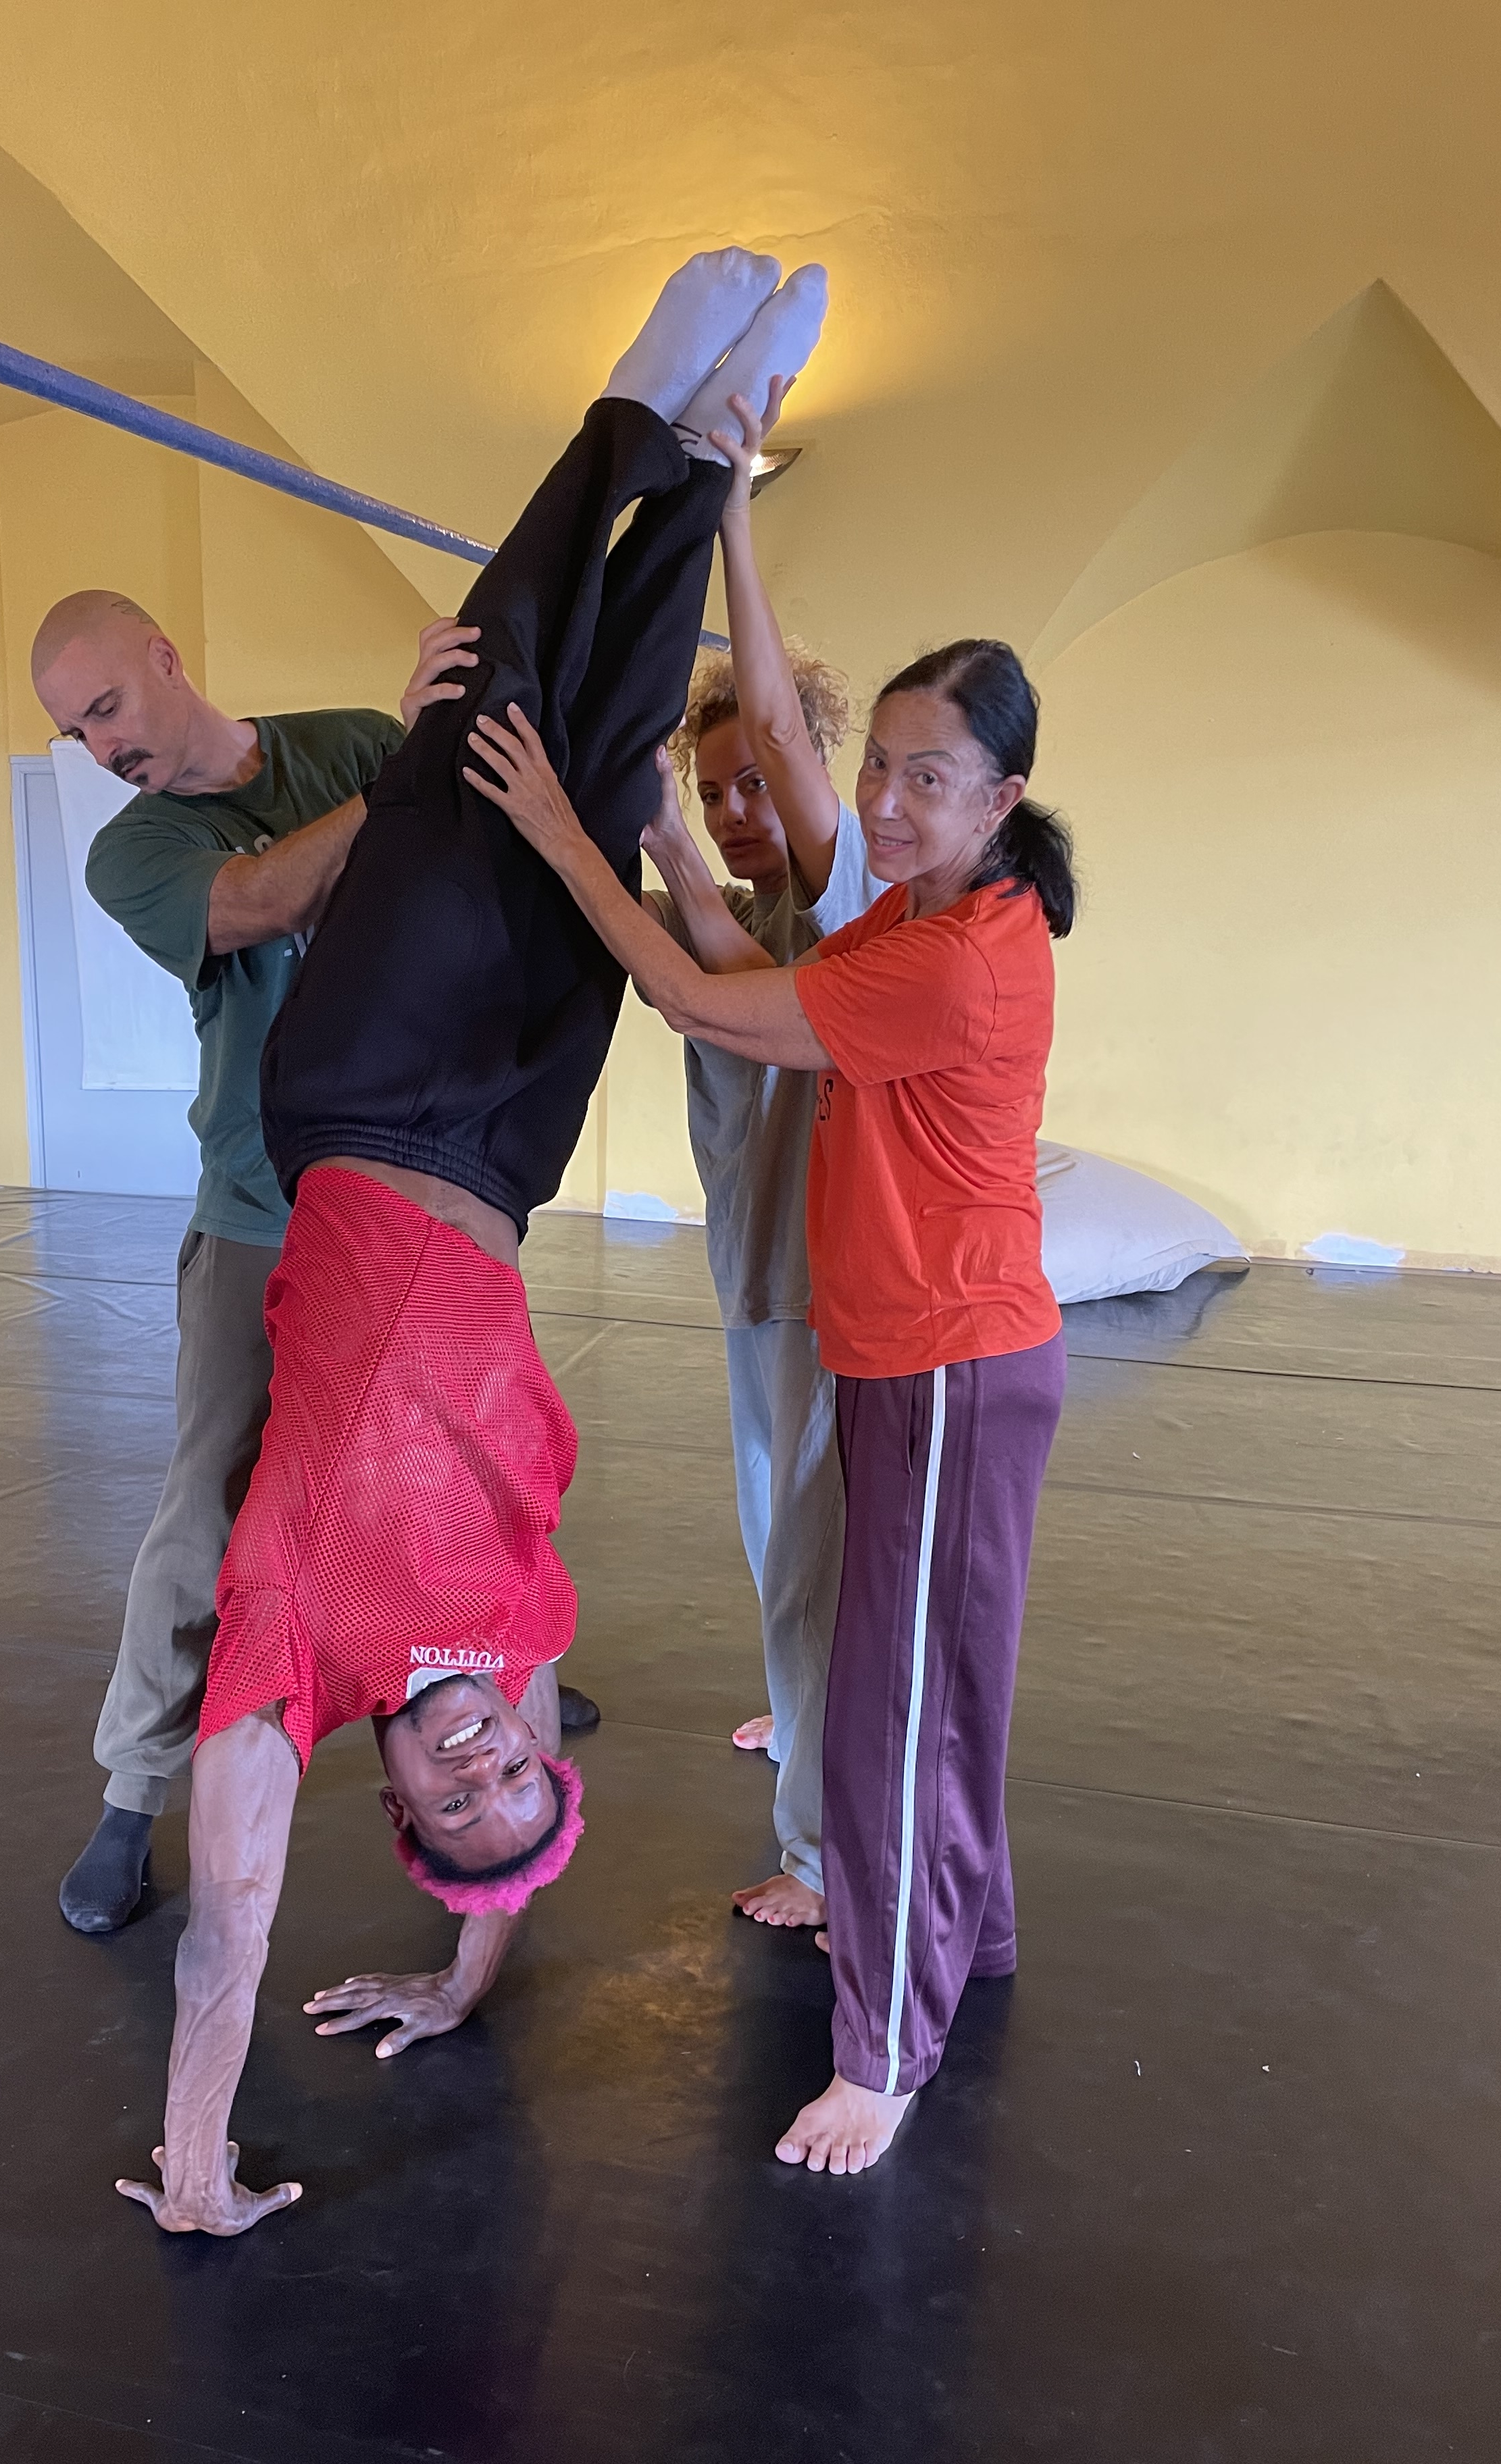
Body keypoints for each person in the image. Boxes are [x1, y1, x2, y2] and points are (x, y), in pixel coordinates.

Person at [113, 248, 834, 2238]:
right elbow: (516, 1884)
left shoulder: (301, 1655)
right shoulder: (524, 1641)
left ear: (403, 1794)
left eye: (453, 1800)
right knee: (582, 786)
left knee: (479, 704)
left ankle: (618, 412)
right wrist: (458, 1970)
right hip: (505, 1152)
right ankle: (707, 459)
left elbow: (231, 1928)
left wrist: (195, 2169)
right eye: (516, 1780)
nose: (481, 1769)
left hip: (356, 1107)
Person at [467, 546, 1073, 2179]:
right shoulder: (932, 910)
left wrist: (559, 830)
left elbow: (694, 988)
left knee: (883, 1714)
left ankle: (881, 2050)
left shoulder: (952, 953)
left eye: (923, 777)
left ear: (1001, 795)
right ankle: (974, 1933)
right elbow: (752, 938)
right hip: (915, 1364)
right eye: (874, 763)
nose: (878, 799)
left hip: (947, 1372)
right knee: (935, 1691)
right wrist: (729, 513)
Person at [30, 592, 603, 1937]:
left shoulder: (344, 741)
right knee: (212, 1501)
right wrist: (407, 767)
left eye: (107, 706)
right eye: (73, 732)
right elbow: (267, 897)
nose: (101, 746)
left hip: (420, 1190)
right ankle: (132, 1791)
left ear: (166, 657)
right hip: (262, 1205)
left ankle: (504, 1670)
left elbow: (463, 851)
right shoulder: (141, 848)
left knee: (480, 1466)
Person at [640, 395, 877, 1932]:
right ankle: (796, 1719)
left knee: (810, 1563)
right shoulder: (703, 917)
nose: (738, 811)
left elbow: (722, 952)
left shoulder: (857, 900)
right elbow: (689, 950)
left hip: (824, 1300)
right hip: (751, 1293)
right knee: (770, 1539)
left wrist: (723, 505)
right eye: (711, 788)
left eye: (752, 784)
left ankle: (814, 1857)